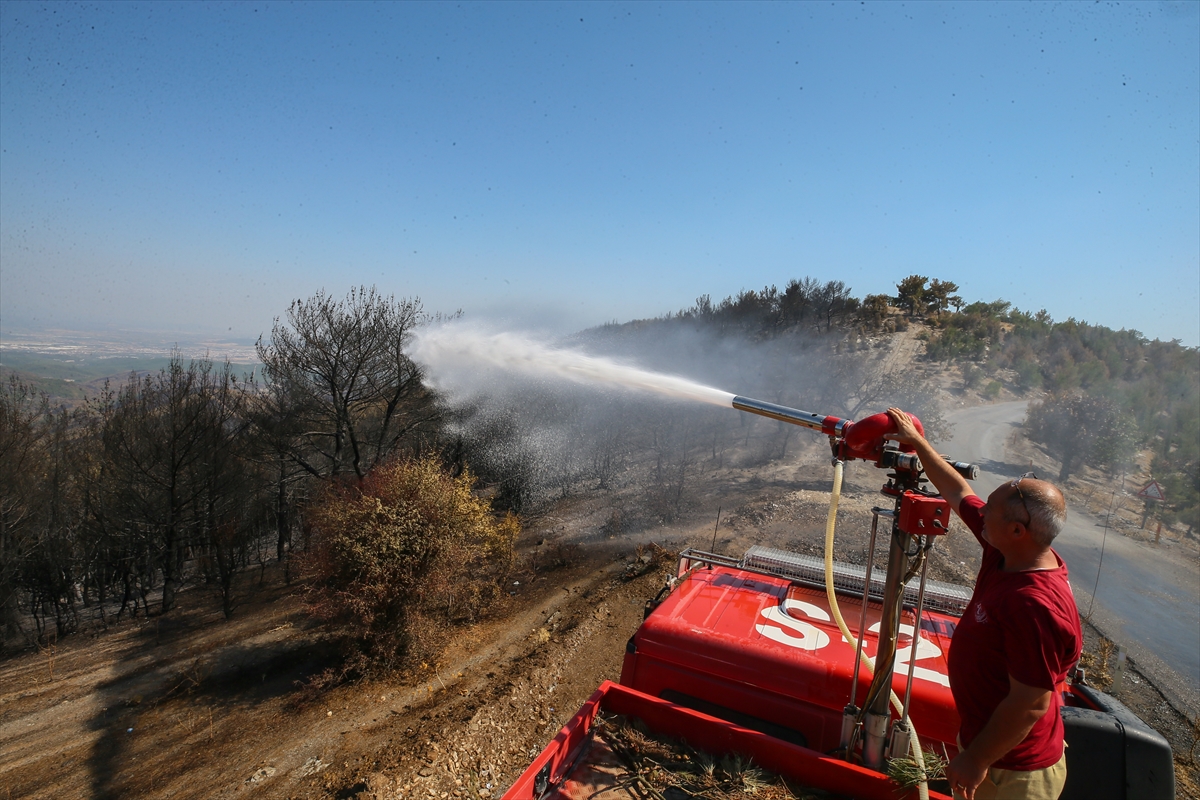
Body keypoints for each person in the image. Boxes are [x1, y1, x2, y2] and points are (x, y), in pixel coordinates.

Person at [886, 408, 1082, 800]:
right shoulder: (1008, 551)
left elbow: (1028, 704)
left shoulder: (1034, 605)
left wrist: (976, 759)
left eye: (989, 511)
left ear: (1017, 530)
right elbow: (959, 493)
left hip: (1013, 772)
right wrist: (918, 443)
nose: (981, 514)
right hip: (992, 749)